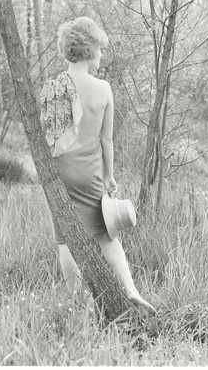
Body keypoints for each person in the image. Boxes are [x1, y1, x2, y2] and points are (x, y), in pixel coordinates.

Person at [40, 16, 155, 312]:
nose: (101, 56)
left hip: (59, 173)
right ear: (89, 50)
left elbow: (48, 135)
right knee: (106, 235)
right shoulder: (103, 89)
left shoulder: (54, 88)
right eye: (100, 50)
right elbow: (107, 141)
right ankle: (130, 289)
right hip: (89, 173)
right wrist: (109, 177)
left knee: (65, 239)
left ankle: (77, 299)